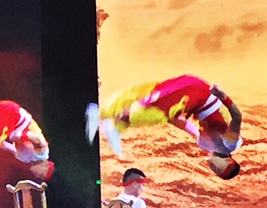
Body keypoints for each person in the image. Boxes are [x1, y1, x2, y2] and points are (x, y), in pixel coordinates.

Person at [88, 76, 242, 179]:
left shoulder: (205, 144)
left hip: (191, 101)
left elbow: (185, 125)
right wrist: (223, 97)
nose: (214, 169)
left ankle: (108, 119)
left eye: (216, 173)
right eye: (219, 169)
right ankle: (104, 117)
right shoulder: (230, 144)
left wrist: (168, 118)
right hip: (198, 93)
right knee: (150, 109)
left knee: (144, 99)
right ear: (229, 162)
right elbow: (237, 117)